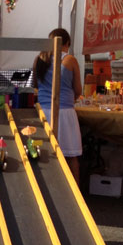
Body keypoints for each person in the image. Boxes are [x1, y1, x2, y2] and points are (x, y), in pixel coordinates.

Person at [33, 27, 83, 183]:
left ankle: (44, 186)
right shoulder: (69, 60)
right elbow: (78, 89)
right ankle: (76, 191)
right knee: (70, 155)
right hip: (65, 112)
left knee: (43, 153)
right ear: (66, 43)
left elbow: (35, 84)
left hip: (42, 111)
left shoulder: (39, 59)